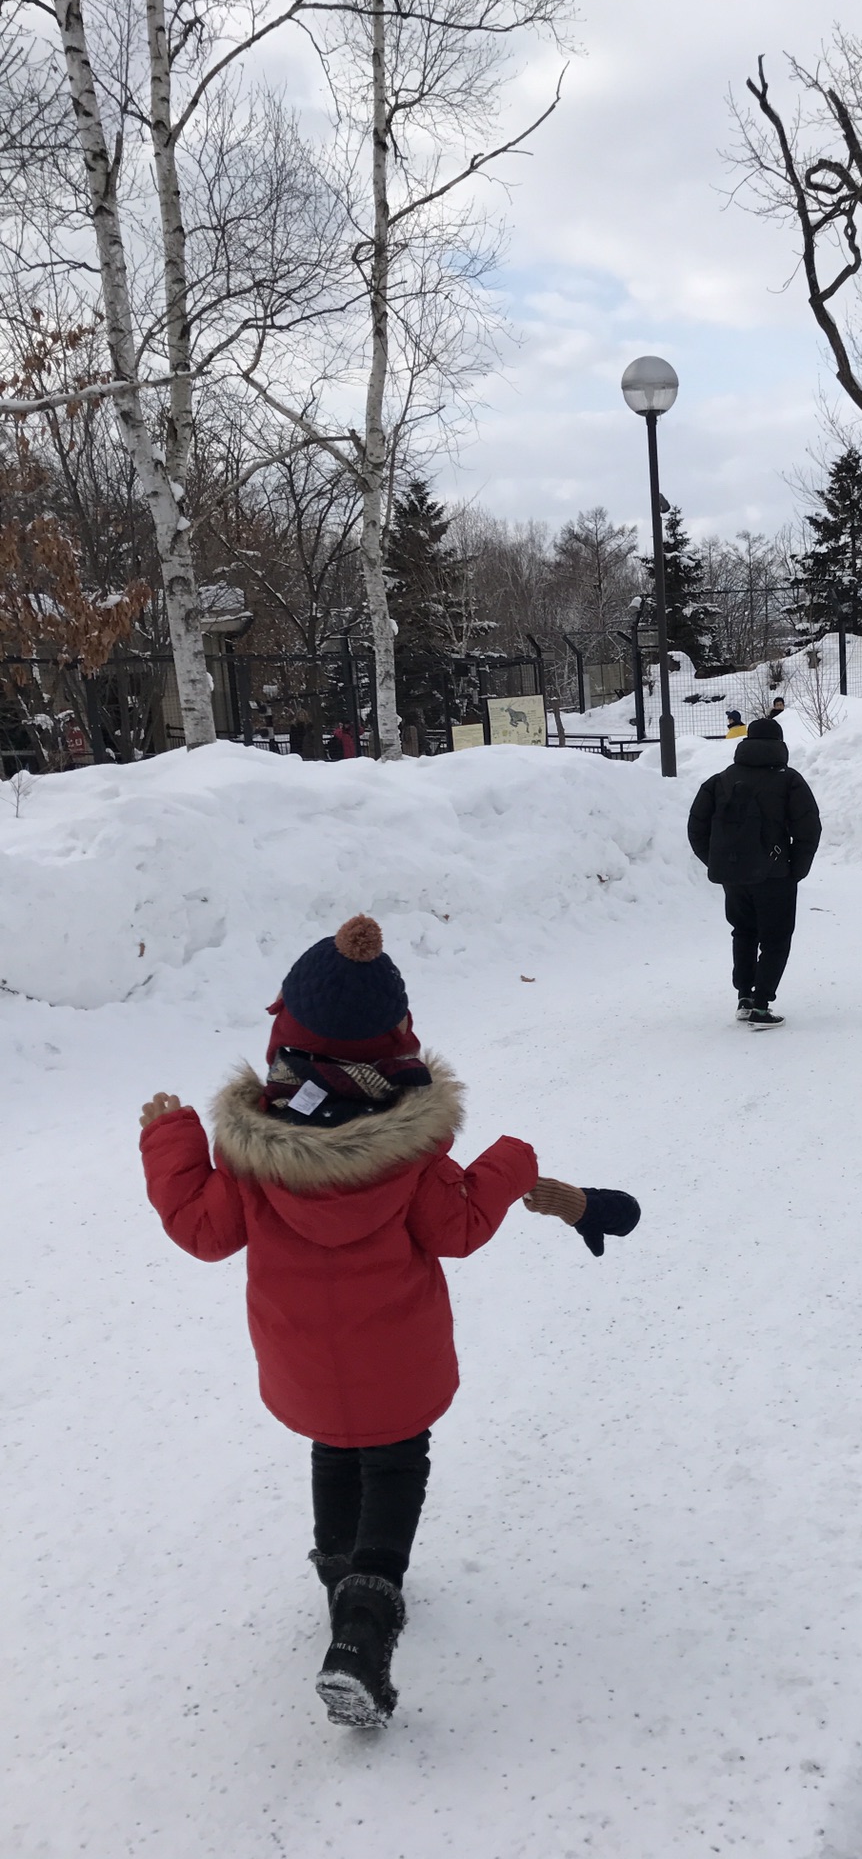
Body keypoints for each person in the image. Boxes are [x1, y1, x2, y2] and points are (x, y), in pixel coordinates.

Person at [138, 914, 638, 1730]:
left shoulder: (251, 1152)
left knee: (334, 1448)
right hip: (400, 1360)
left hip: (301, 1361)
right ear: (397, 1042)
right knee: (396, 1462)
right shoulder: (410, 1154)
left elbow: (202, 1229)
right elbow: (461, 1229)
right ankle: (366, 1622)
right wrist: (512, 1158)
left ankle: (341, 1577)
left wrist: (170, 1138)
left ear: (285, 1036)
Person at [686, 716, 822, 1029]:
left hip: (734, 875)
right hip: (775, 876)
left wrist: (717, 861)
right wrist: (795, 869)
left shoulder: (720, 779)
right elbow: (808, 827)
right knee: (775, 938)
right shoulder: (789, 780)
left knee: (743, 932)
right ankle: (762, 1007)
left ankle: (744, 998)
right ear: (779, 745)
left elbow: (696, 825)